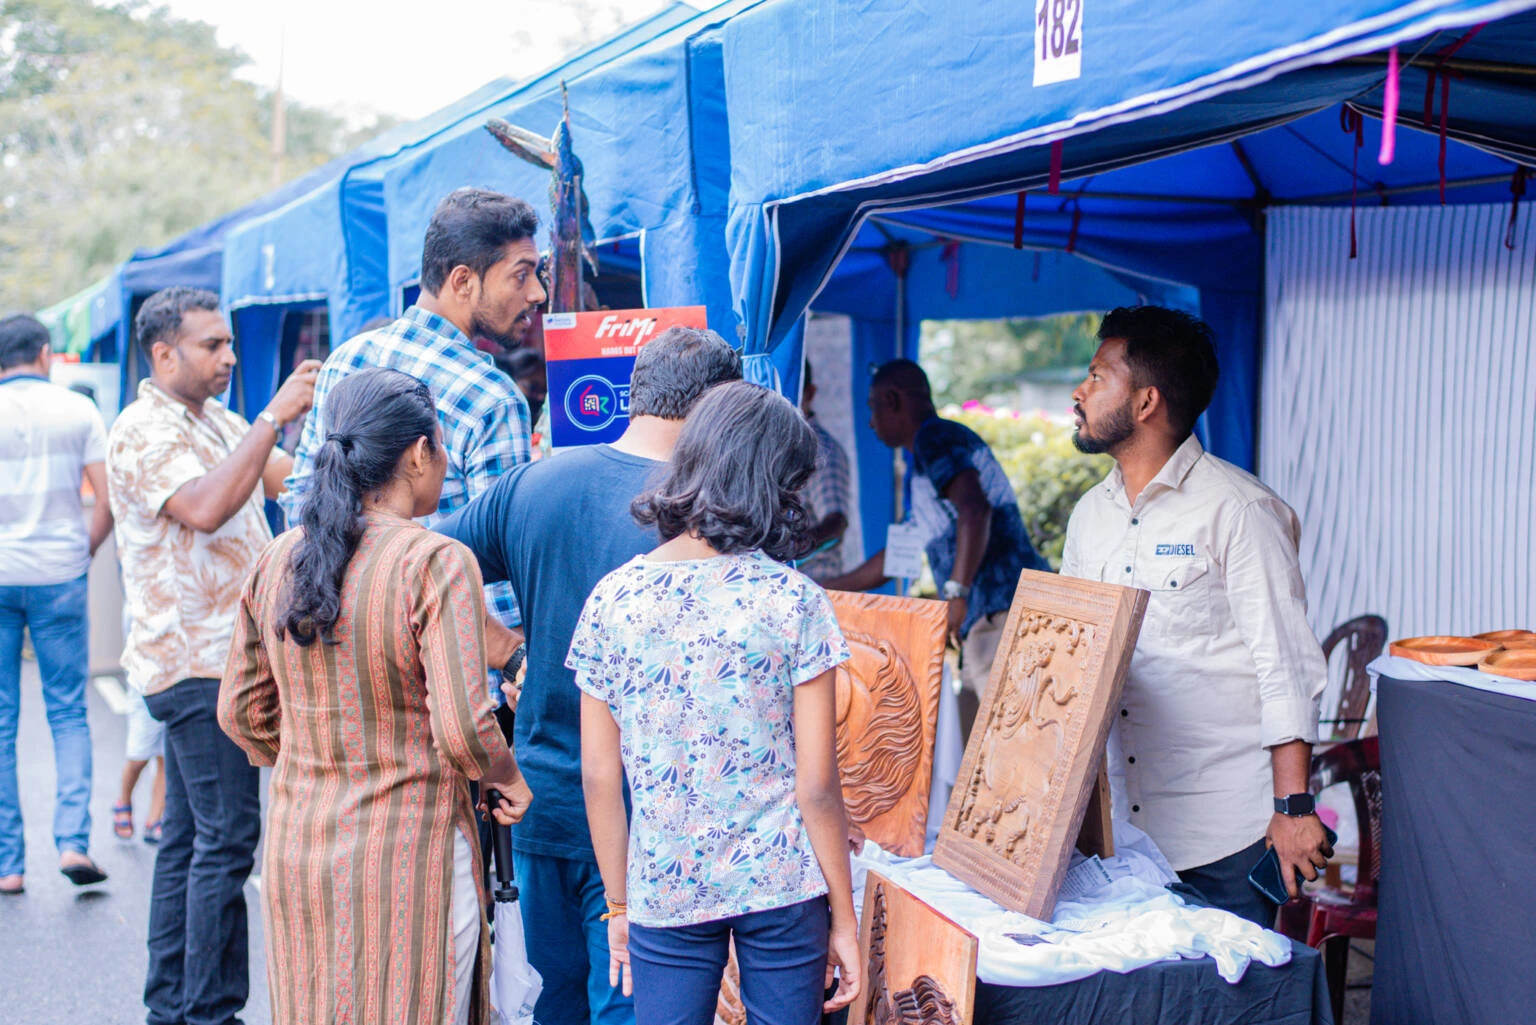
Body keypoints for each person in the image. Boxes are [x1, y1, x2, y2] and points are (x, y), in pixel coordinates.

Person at [436, 326, 742, 1025]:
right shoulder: (702, 515)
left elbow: (431, 568)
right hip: (650, 820)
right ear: (716, 408)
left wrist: (509, 651)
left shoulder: (536, 482)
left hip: (539, 800)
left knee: (549, 1008)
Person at [219, 368, 531, 1025]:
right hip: (411, 852)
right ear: (420, 453)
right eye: (441, 449)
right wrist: (508, 777)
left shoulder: (276, 560)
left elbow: (241, 713)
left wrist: (317, 750)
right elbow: (465, 728)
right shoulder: (433, 561)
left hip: (300, 848)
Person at [570, 381, 861, 1025]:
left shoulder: (613, 601)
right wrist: (845, 917)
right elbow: (817, 786)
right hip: (783, 887)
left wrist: (618, 907)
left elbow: (597, 774)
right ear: (774, 483)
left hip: (665, 887)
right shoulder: (795, 601)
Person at [1059, 305, 1331, 928]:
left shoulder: (1240, 511)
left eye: (1098, 376)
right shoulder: (1088, 517)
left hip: (1223, 835)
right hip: (1120, 836)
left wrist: (1293, 810)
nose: (1080, 391)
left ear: (1147, 401)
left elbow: (1285, 667)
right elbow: (1075, 656)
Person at [106, 286, 320, 1025]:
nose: (229, 357)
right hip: (195, 663)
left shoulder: (213, 419)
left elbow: (287, 480)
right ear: (164, 354)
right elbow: (203, 506)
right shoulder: (142, 429)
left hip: (215, 660)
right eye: (212, 346)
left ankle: (171, 1005)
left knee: (192, 841)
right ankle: (210, 1012)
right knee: (228, 839)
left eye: (230, 343)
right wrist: (271, 417)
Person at [281, 187, 548, 650]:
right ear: (463, 281)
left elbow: (301, 506)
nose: (537, 293)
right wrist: (517, 663)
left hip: (349, 647)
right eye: (520, 276)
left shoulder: (346, 359)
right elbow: (506, 569)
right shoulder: (491, 397)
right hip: (454, 665)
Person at [823, 360, 1050, 743]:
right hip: (991, 617)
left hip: (1001, 613)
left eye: (873, 408)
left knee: (1013, 744)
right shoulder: (923, 464)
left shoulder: (935, 438)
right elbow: (895, 559)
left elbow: (975, 510)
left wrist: (956, 594)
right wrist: (821, 587)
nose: (870, 422)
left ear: (893, 400)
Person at [0, 313, 114, 894]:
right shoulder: (79, 411)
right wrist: (81, 554)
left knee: (1, 721)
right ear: (44, 354)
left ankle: (8, 865)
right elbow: (106, 498)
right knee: (67, 711)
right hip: (60, 576)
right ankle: (72, 842)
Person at [797, 360, 851, 583]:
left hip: (815, 585)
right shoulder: (778, 446)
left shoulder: (818, 449)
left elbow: (836, 521)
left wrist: (791, 548)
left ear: (809, 393)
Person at [114, 691, 165, 844]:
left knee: (166, 756)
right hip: (146, 683)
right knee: (138, 758)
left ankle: (155, 818)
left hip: (176, 681)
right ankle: (124, 801)